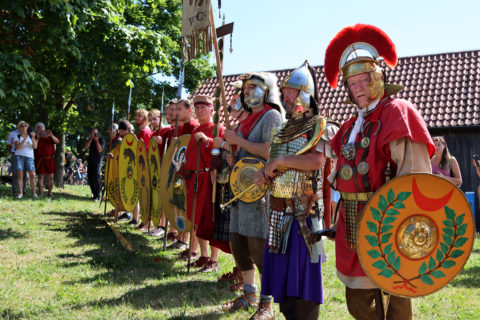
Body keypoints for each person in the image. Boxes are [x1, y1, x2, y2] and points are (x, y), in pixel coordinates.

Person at [323, 24, 435, 320]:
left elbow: (415, 176)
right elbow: (340, 176)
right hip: (351, 222)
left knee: (394, 294)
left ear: (378, 78)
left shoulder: (397, 112)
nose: (358, 88)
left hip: (387, 220)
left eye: (364, 81)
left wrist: (399, 221)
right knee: (358, 301)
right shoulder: (350, 125)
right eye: (352, 83)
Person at [250, 62, 336, 320]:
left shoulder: (318, 124)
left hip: (304, 214)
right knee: (284, 285)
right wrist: (264, 173)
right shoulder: (280, 130)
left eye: (292, 92)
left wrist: (279, 162)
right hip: (278, 213)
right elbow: (276, 163)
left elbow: (317, 162)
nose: (286, 97)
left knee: (304, 286)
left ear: (305, 95)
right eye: (285, 93)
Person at [220, 72, 284, 316]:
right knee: (238, 244)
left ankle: (266, 304)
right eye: (244, 89)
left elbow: (270, 152)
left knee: (258, 247)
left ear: (265, 90)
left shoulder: (271, 116)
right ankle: (248, 294)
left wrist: (237, 139)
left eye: (253, 87)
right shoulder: (247, 119)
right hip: (240, 191)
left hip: (260, 191)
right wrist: (232, 155)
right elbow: (245, 154)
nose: (247, 92)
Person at [183, 94, 224, 272]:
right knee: (196, 219)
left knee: (209, 219)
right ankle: (203, 255)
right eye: (197, 108)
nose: (199, 110)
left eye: (203, 107)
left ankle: (214, 260)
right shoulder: (195, 130)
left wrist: (207, 141)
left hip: (208, 179)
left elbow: (221, 149)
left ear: (211, 109)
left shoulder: (217, 128)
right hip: (193, 179)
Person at [13, 120, 38, 199]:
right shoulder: (16, 136)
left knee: (32, 175)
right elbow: (18, 147)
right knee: (20, 175)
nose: (24, 127)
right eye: (22, 126)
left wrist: (33, 137)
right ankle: (20, 193)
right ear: (19, 128)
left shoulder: (31, 136)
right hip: (19, 156)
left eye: (25, 126)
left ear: (27, 127)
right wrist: (24, 139)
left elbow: (35, 147)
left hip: (29, 157)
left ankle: (34, 193)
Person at [34, 122, 59, 198]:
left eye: (41, 127)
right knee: (40, 177)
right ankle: (41, 193)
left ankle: (50, 192)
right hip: (40, 159)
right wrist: (38, 137)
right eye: (38, 128)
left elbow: (57, 141)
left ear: (44, 129)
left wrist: (51, 135)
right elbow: (34, 146)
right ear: (36, 130)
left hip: (50, 159)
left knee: (51, 176)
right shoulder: (35, 137)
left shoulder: (49, 136)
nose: (40, 129)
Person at [83, 128, 105, 201]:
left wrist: (96, 140)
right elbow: (85, 147)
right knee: (90, 178)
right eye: (92, 133)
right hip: (90, 161)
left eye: (95, 133)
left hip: (97, 162)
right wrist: (91, 139)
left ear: (98, 133)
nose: (93, 134)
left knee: (96, 178)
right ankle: (94, 194)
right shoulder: (90, 140)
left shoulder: (101, 140)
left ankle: (98, 196)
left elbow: (100, 150)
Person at [7, 125, 26, 195]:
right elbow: (9, 144)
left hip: (25, 154)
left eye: (24, 125)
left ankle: (24, 190)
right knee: (15, 173)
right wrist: (12, 151)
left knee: (24, 173)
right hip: (15, 154)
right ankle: (15, 190)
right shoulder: (12, 133)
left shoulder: (28, 133)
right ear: (18, 126)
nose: (23, 127)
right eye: (21, 125)